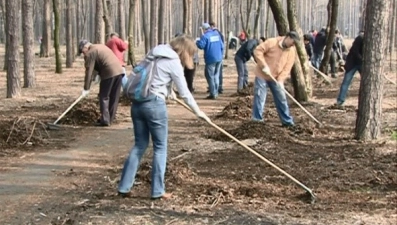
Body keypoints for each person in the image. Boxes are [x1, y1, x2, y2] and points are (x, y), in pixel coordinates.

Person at [117, 35, 210, 199]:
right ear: (185, 51)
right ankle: (158, 191)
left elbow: (153, 79)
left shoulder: (153, 55)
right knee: (160, 147)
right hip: (154, 106)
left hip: (137, 105)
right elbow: (185, 93)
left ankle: (124, 187)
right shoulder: (173, 62)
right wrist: (198, 112)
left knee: (140, 145)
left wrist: (168, 92)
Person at [251, 31, 299, 127]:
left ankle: (287, 121)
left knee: (281, 98)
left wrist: (281, 80)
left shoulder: (291, 51)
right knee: (260, 96)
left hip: (276, 78)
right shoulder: (272, 42)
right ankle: (257, 120)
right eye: (292, 42)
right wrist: (263, 65)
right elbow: (257, 51)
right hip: (262, 74)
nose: (293, 45)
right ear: (288, 37)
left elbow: (287, 68)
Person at [79, 40, 124, 127]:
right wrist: (97, 76)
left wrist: (86, 88)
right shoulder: (100, 46)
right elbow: (98, 64)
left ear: (85, 47)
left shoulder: (90, 53)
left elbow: (89, 71)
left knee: (104, 96)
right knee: (114, 96)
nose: (83, 54)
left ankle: (105, 120)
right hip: (119, 71)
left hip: (109, 73)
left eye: (82, 52)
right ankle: (110, 118)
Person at [334, 31, 364, 109]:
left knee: (366, 83)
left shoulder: (369, 39)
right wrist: (362, 60)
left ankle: (364, 102)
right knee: (346, 82)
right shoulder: (360, 38)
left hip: (362, 64)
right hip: (352, 63)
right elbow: (355, 51)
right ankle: (340, 101)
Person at [196, 23, 224, 99]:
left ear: (204, 29)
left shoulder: (205, 36)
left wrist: (197, 42)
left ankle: (213, 93)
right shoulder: (217, 34)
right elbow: (222, 46)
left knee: (210, 76)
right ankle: (216, 91)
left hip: (210, 59)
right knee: (216, 75)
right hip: (219, 58)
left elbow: (201, 46)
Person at [209, 22, 224, 94]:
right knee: (217, 73)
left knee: (216, 73)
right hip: (219, 55)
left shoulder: (215, 33)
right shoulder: (219, 33)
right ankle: (217, 87)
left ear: (212, 26)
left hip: (215, 56)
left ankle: (217, 88)